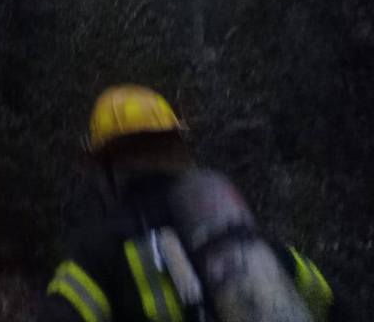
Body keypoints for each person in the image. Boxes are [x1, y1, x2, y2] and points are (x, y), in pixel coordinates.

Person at [40, 85, 347, 322]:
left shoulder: (100, 250)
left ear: (107, 167)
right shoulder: (240, 236)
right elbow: (332, 304)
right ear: (176, 146)